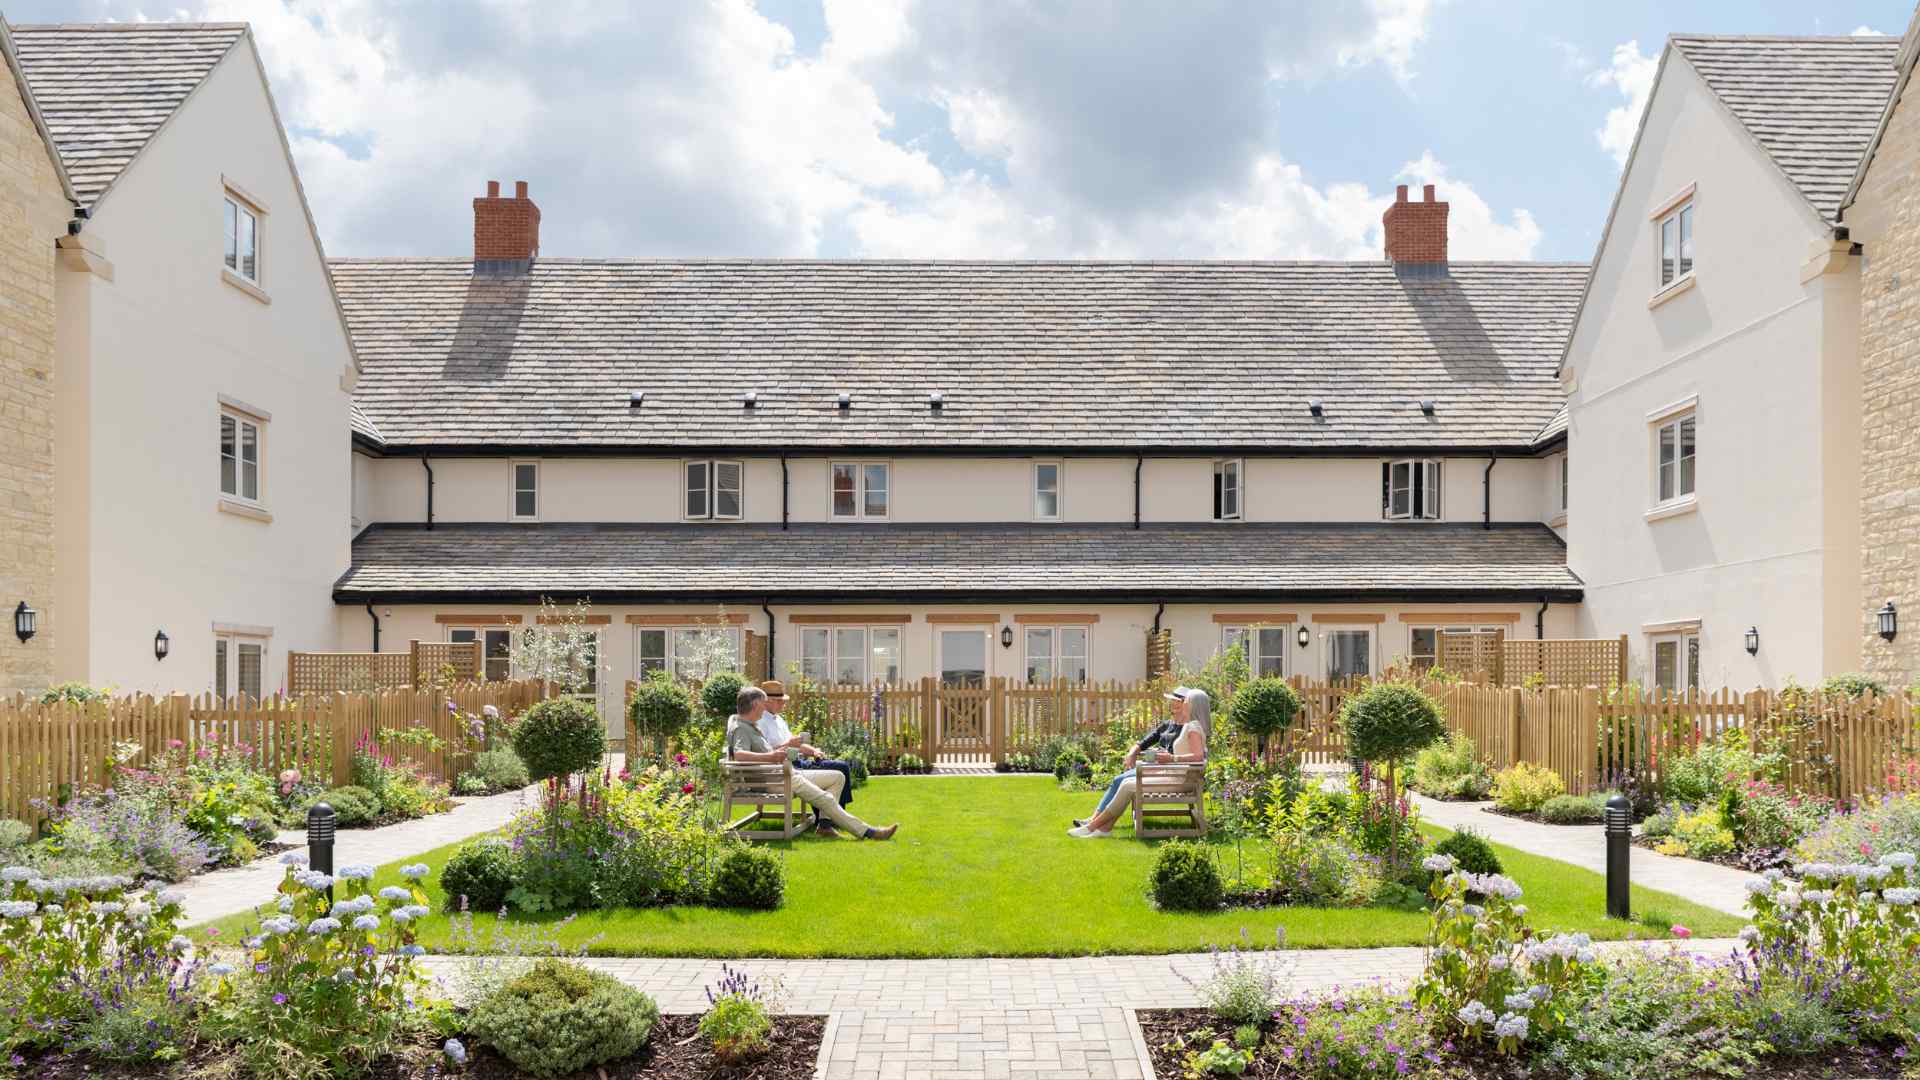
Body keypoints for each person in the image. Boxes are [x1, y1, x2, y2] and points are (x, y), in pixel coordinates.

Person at [728, 685, 898, 840]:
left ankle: (824, 826)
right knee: (826, 799)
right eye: (763, 704)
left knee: (837, 777)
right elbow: (739, 754)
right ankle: (868, 832)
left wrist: (798, 750)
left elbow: (769, 752)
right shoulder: (741, 728)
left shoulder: (751, 726)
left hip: (785, 774)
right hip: (778, 779)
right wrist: (771, 757)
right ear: (755, 704)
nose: (764, 708)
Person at [1068, 686, 1209, 838]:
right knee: (1125, 782)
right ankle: (1103, 828)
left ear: (1192, 705)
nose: (1183, 704)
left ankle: (1092, 827)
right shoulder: (1190, 725)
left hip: (1178, 779)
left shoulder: (1192, 727)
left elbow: (1198, 756)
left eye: (1185, 701)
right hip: (1176, 775)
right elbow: (1193, 754)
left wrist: (1171, 758)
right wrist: (1164, 757)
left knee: (1127, 784)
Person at [755, 680, 857, 834]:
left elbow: (795, 743)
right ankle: (831, 819)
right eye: (780, 701)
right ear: (768, 701)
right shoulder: (761, 722)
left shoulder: (779, 720)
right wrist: (789, 744)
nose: (783, 704)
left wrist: (814, 751)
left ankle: (829, 818)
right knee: (839, 769)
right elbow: (768, 752)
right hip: (786, 767)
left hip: (795, 761)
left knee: (840, 766)